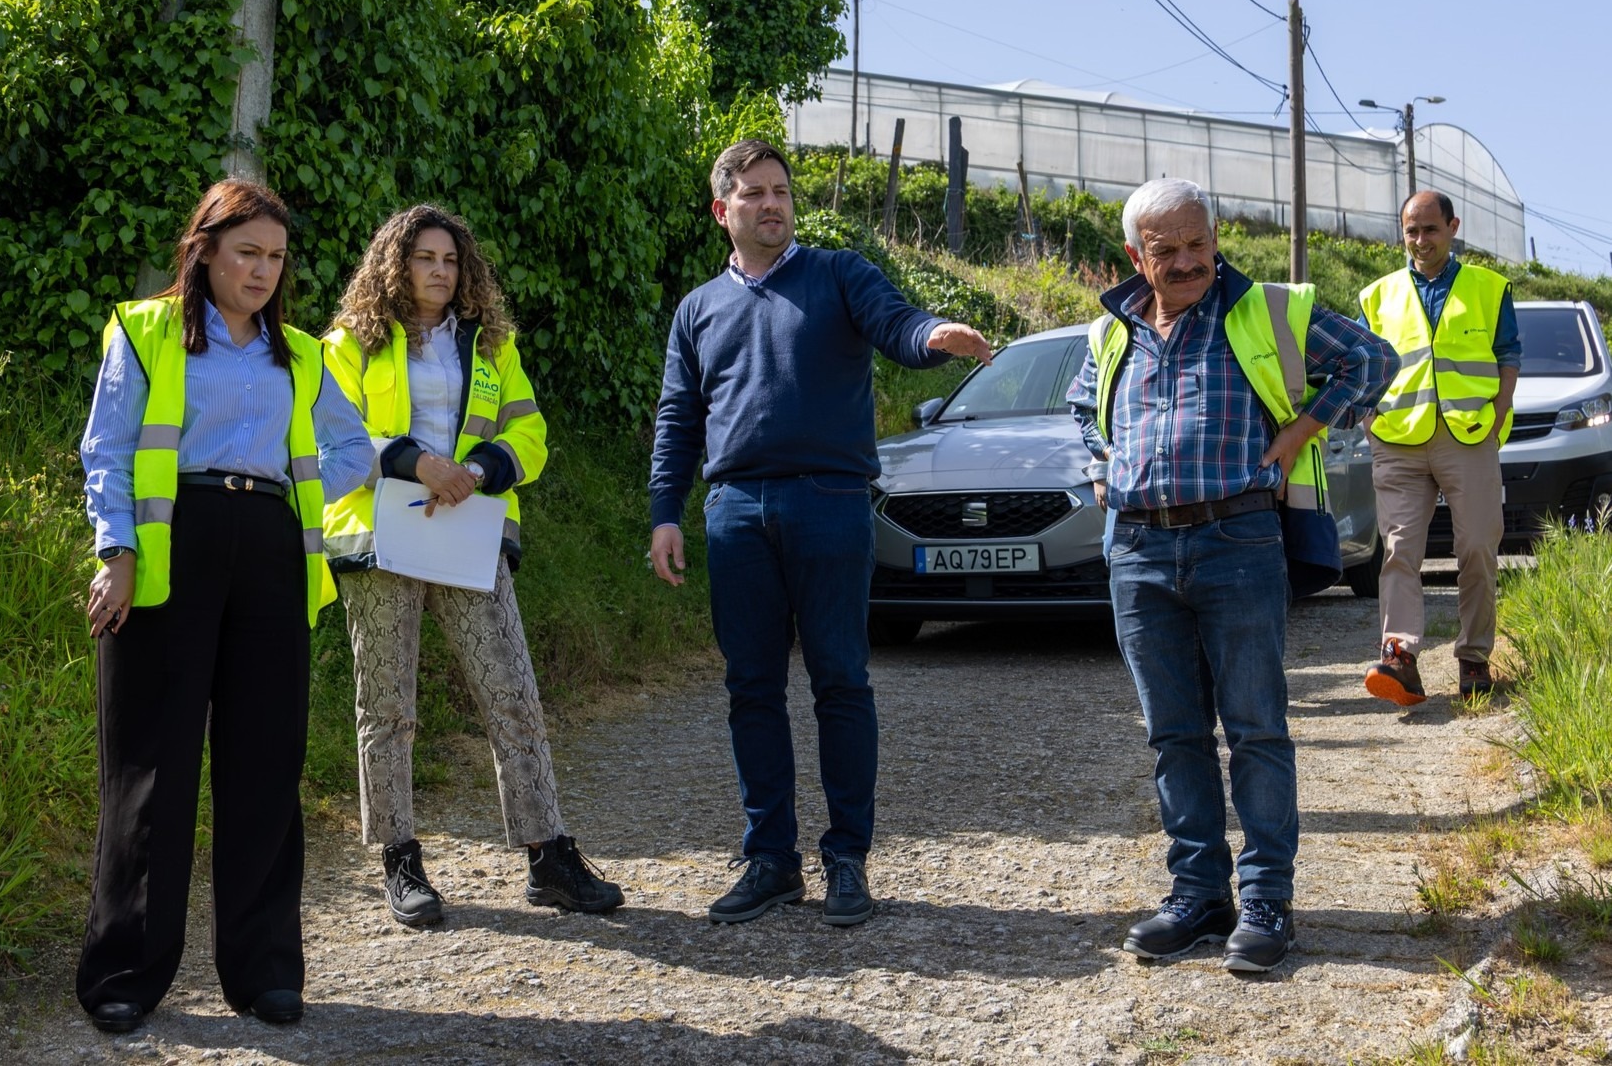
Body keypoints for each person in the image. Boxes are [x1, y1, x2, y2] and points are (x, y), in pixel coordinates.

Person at [648, 139, 992, 927]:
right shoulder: (698, 309)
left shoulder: (838, 273)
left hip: (831, 502)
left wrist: (933, 336)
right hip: (734, 510)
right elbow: (679, 416)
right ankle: (770, 860)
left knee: (840, 680)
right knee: (751, 688)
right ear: (722, 211)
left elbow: (896, 321)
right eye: (755, 193)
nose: (772, 203)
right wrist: (666, 511)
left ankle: (846, 859)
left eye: (781, 191)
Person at [1067, 178, 1397, 972]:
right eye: (1166, 250)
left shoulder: (1267, 309)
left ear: (1216, 238)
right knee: (1173, 733)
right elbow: (1085, 408)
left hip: (1237, 539)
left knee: (1254, 727)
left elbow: (1374, 360)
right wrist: (1102, 465)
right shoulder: (1111, 329)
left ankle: (1266, 902)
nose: (1186, 263)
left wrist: (1301, 430)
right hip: (1139, 552)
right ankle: (1197, 895)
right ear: (1134, 256)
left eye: (1197, 244)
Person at [77, 180, 374, 1033]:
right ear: (203, 248)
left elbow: (350, 447)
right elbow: (107, 447)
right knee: (153, 771)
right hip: (172, 553)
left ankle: (266, 970)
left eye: (277, 257)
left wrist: (300, 494)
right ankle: (126, 974)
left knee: (266, 766)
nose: (264, 271)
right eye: (248, 252)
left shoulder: (304, 355)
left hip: (272, 555)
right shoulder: (146, 330)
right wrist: (117, 551)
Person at [321, 204, 622, 927]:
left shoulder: (492, 346)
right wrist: (418, 463)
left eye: (451, 260)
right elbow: (337, 431)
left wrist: (481, 470)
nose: (440, 271)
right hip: (380, 534)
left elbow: (531, 431)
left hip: (469, 532)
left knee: (513, 694)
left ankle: (549, 857)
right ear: (395, 264)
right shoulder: (348, 343)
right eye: (425, 257)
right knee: (387, 708)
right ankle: (400, 860)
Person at [1358, 191, 1520, 706]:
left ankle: (1473, 657)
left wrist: (1499, 412)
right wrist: (1369, 417)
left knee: (1475, 547)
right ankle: (1399, 656)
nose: (1420, 240)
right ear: (1401, 232)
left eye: (1430, 229)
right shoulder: (1377, 295)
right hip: (1398, 439)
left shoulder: (1489, 288)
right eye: (1411, 231)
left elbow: (1508, 354)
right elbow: (1363, 365)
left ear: (1453, 227)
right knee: (1400, 550)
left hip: (1469, 435)